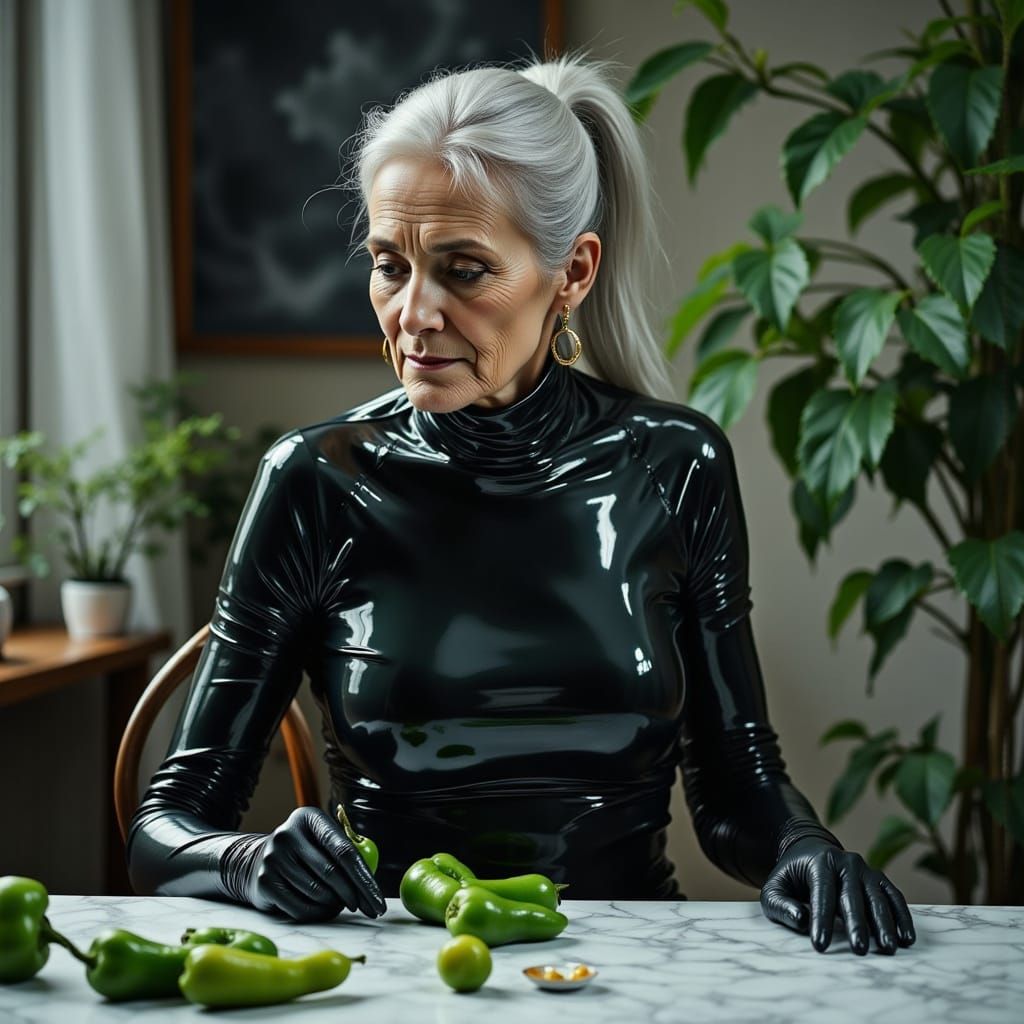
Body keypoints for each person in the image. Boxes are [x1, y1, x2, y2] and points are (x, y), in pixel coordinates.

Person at [127, 53, 916, 956]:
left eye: (463, 271)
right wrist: (244, 862)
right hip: (396, 971)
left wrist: (805, 849)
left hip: (629, 970)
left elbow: (737, 783)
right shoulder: (314, 481)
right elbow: (166, 825)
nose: (413, 313)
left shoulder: (675, 464)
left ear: (572, 272)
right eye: (390, 265)